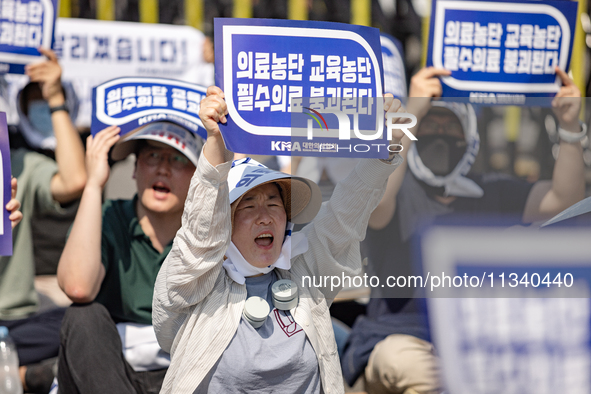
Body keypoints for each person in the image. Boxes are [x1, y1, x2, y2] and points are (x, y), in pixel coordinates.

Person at [342, 66, 586, 394]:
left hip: (471, 344)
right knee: (411, 364)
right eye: (430, 124)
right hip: (393, 342)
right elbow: (375, 199)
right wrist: (412, 109)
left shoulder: (490, 191)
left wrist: (570, 127)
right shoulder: (396, 190)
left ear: (469, 136)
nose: (440, 134)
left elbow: (563, 199)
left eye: (451, 127)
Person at [151, 86, 404, 393]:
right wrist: (216, 141)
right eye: (248, 205)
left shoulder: (305, 270)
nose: (265, 216)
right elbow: (200, 233)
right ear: (223, 223)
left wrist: (383, 150)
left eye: (274, 203)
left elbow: (346, 211)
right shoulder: (196, 286)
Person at [56, 121, 203, 393]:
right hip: (105, 373)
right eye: (153, 156)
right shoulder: (108, 216)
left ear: (197, 175)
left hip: (181, 375)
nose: (163, 168)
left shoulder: (207, 233)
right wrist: (92, 185)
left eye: (178, 159)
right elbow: (77, 286)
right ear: (135, 169)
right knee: (83, 316)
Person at [0, 47, 87, 393]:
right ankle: (22, 374)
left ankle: (16, 370)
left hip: (19, 320)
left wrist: (54, 99)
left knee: (89, 322)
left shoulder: (18, 164)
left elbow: (74, 180)